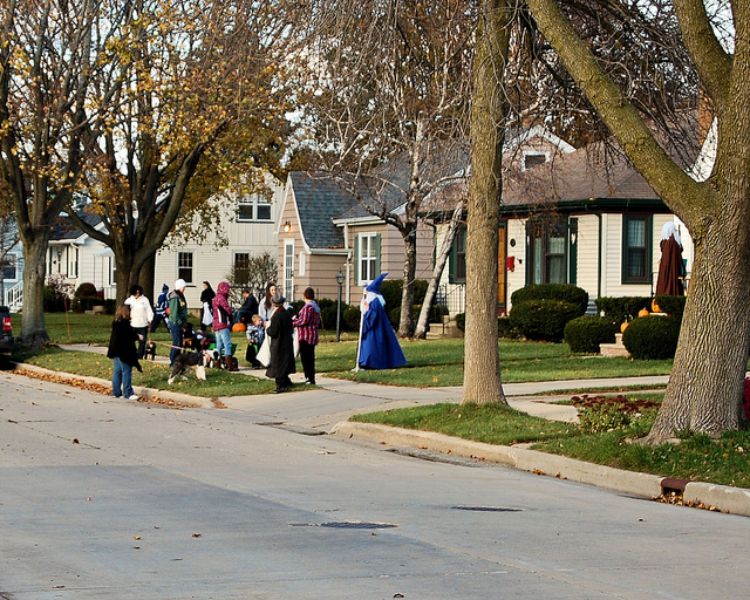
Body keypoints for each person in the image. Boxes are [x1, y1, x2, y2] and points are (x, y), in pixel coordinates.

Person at [357, 272, 407, 370]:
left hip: (375, 330)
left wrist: (367, 311)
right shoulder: (373, 301)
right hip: (377, 328)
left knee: (372, 347)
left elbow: (372, 318)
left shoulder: (375, 303)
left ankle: (371, 363)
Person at [106, 304, 143, 401]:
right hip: (124, 352)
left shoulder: (116, 323)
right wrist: (138, 337)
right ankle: (128, 393)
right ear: (126, 312)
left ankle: (116, 392)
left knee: (117, 372)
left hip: (116, 351)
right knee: (126, 371)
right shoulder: (124, 324)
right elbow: (129, 336)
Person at [266, 292, 295, 393]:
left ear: (274, 303)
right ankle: (286, 381)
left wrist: (267, 329)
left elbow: (273, 331)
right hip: (287, 342)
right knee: (284, 364)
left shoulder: (277, 315)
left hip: (279, 344)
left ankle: (281, 385)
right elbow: (291, 328)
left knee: (278, 365)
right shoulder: (286, 313)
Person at [293, 287, 322, 385]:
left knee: (305, 358)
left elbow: (303, 321)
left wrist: (293, 322)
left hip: (305, 336)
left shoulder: (307, 307)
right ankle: (311, 377)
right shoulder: (316, 308)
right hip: (313, 335)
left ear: (305, 296)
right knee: (311, 358)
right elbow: (317, 322)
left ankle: (309, 378)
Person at [655, 221, 685, 296]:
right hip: (672, 271)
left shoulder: (670, 243)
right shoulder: (671, 243)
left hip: (669, 273)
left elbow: (667, 261)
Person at [124, 284, 154, 359]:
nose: (137, 294)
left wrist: (150, 320)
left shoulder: (145, 300)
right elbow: (125, 309)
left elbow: (149, 311)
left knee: (142, 341)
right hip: (133, 324)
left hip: (143, 324)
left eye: (138, 293)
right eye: (135, 293)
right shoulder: (129, 300)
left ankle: (140, 355)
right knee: (130, 340)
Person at [212, 280, 234, 364]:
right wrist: (231, 313)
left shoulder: (215, 298)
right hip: (223, 324)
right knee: (227, 344)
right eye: (227, 289)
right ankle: (229, 364)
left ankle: (217, 362)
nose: (228, 291)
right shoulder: (221, 298)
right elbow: (227, 310)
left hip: (216, 324)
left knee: (219, 344)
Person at [167, 279, 189, 366]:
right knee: (176, 343)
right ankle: (173, 361)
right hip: (175, 323)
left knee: (179, 342)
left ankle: (178, 361)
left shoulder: (180, 296)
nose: (184, 289)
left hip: (179, 323)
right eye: (183, 287)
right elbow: (174, 313)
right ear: (179, 287)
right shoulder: (175, 297)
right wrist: (181, 323)